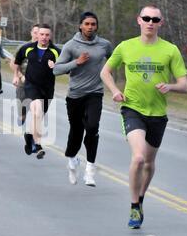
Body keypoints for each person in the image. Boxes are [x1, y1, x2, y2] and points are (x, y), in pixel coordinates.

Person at [100, 5, 187, 229]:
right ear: (138, 20)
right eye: (146, 18)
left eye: (155, 19)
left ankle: (140, 200)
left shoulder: (170, 50)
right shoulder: (126, 46)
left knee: (149, 162)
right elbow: (105, 71)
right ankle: (133, 206)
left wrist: (170, 86)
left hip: (158, 114)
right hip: (132, 109)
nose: (150, 22)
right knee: (138, 157)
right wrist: (115, 91)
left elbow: (184, 85)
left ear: (161, 23)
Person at [54, 12, 113, 187]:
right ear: (80, 26)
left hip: (95, 93)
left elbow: (115, 59)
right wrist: (76, 63)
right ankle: (72, 160)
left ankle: (90, 170)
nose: (90, 27)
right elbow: (56, 70)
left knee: (93, 127)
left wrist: (110, 73)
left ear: (97, 26)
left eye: (93, 24)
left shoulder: (104, 45)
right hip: (75, 95)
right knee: (77, 130)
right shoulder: (71, 46)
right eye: (87, 24)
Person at [13, 24, 61, 160]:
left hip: (47, 89)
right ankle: (38, 145)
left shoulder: (56, 51)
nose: (44, 37)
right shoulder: (27, 48)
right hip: (31, 86)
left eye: (47, 35)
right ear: (37, 35)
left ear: (50, 36)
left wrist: (56, 66)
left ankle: (29, 135)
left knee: (38, 116)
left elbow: (65, 68)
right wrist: (16, 76)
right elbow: (17, 61)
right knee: (37, 111)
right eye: (42, 34)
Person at [11, 24, 39, 126]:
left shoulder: (46, 49)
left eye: (39, 33)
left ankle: (33, 134)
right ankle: (22, 116)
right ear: (31, 33)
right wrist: (17, 76)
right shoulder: (23, 47)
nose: (37, 35)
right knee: (22, 106)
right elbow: (14, 63)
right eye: (35, 32)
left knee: (37, 111)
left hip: (38, 85)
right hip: (23, 82)